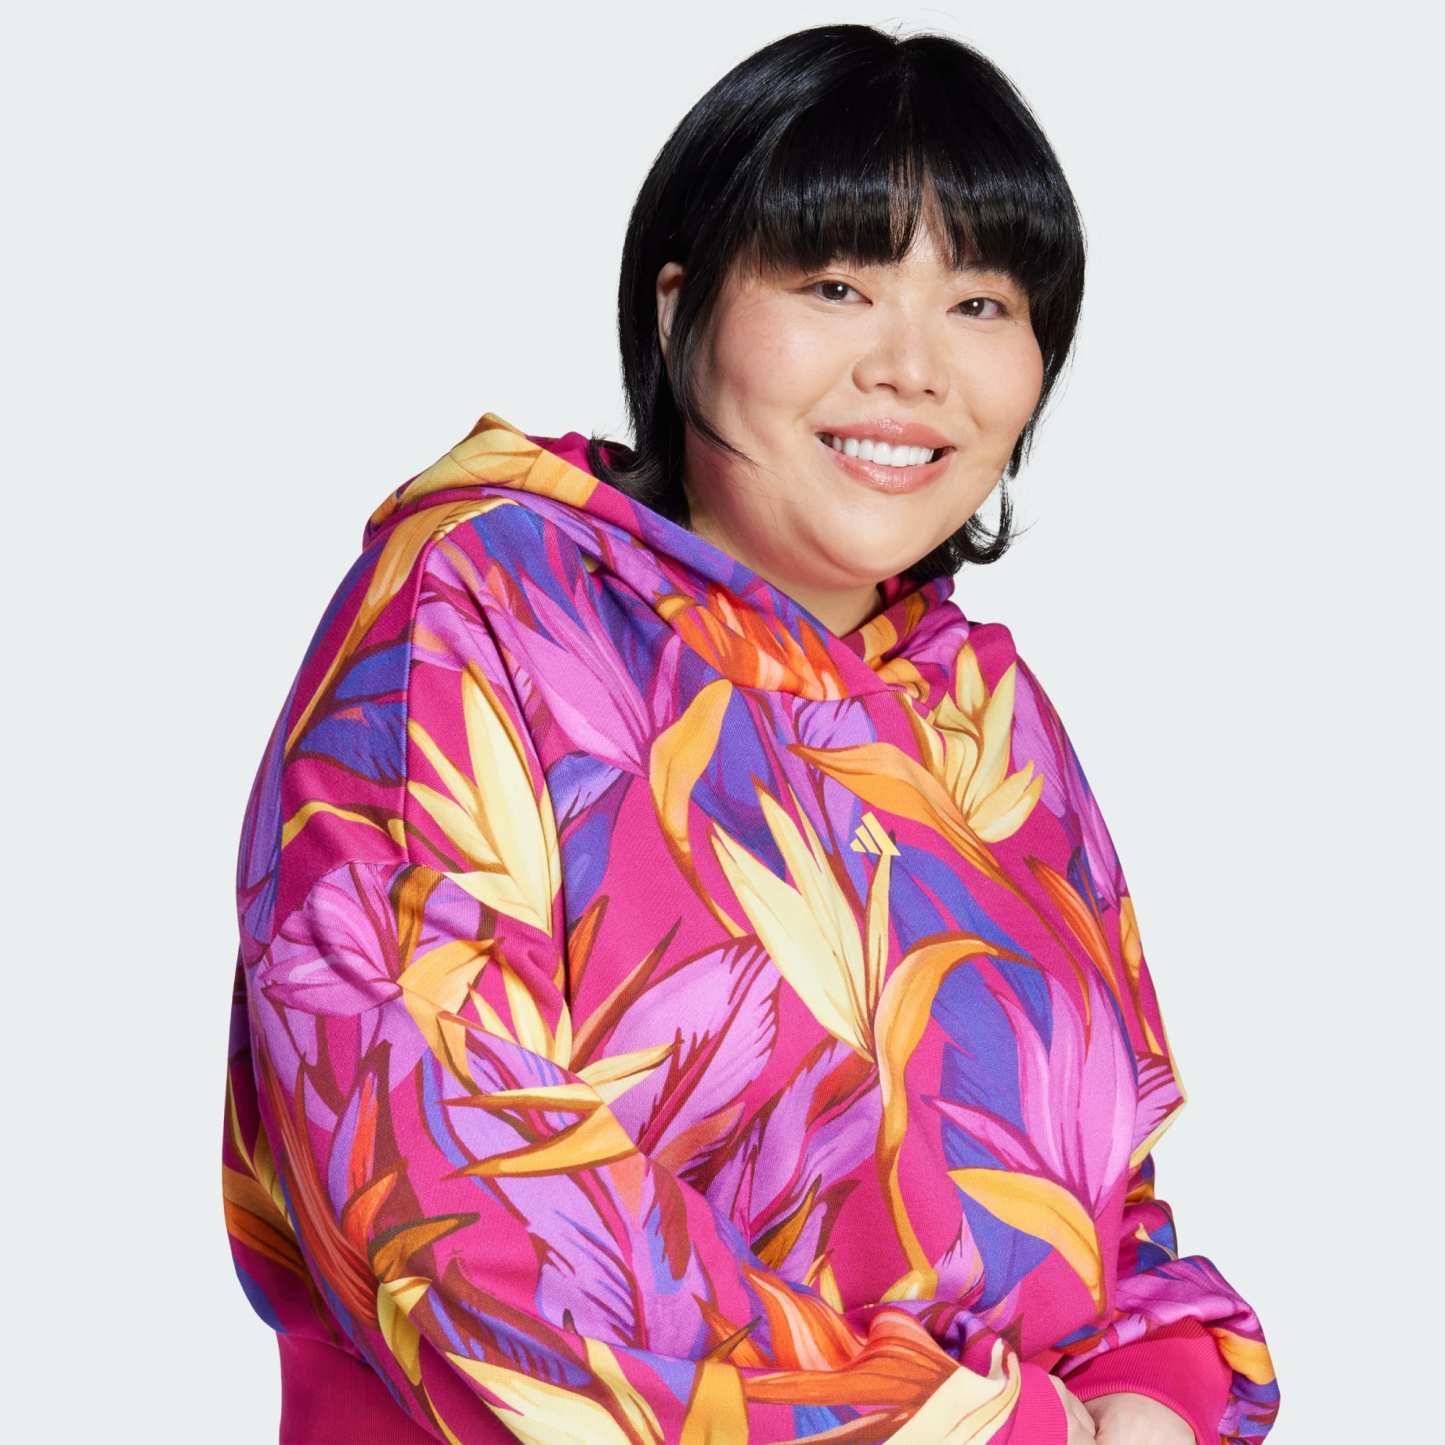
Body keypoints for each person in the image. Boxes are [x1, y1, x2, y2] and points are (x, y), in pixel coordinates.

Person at [220, 22, 1280, 1444]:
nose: (912, 368)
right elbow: (441, 1189)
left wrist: (1159, 1391)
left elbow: (1094, 1215)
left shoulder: (984, 720)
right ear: (680, 314)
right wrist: (986, 1429)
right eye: (836, 285)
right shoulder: (484, 603)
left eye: (981, 302)